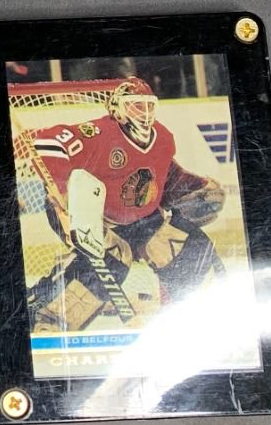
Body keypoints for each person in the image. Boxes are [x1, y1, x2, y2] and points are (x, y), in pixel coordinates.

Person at [23, 78, 225, 332]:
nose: (144, 112)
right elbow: (47, 142)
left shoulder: (163, 137)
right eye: (135, 105)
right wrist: (63, 198)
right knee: (112, 261)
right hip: (86, 215)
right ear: (117, 109)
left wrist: (194, 186)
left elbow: (165, 173)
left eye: (148, 105)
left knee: (184, 244)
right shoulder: (99, 133)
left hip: (142, 219)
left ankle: (194, 310)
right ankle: (44, 312)